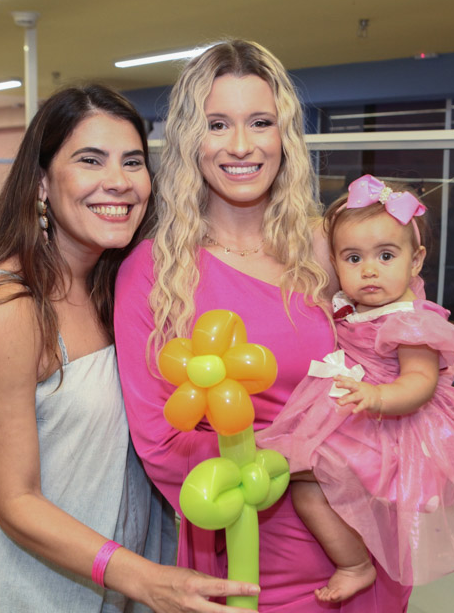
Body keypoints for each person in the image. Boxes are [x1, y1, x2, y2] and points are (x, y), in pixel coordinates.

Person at [0, 84, 258, 613]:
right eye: (90, 160)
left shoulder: (124, 291)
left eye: (132, 162)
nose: (119, 182)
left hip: (123, 584)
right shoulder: (3, 305)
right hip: (23, 590)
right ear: (41, 182)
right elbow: (15, 501)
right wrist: (144, 578)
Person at [114, 40, 411, 610]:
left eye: (260, 123)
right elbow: (159, 443)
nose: (242, 145)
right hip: (251, 551)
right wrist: (295, 460)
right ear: (188, 141)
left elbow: (396, 354)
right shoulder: (153, 273)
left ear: (285, 137)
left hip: (368, 539)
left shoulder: (326, 250)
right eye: (218, 124)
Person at [257, 175, 454, 602]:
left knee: (311, 468)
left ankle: (358, 565)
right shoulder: (350, 306)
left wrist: (377, 398)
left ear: (416, 261)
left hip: (397, 422)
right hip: (355, 411)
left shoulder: (411, 321)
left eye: (386, 255)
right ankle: (356, 563)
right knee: (305, 485)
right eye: (353, 258)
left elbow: (420, 384)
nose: (369, 270)